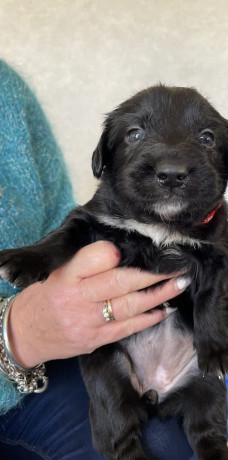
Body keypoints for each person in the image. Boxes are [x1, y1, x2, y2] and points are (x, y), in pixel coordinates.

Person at [0, 60, 196, 459]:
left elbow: (64, 225)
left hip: (55, 356)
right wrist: (16, 334)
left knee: (166, 439)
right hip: (25, 352)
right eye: (137, 135)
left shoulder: (7, 91)